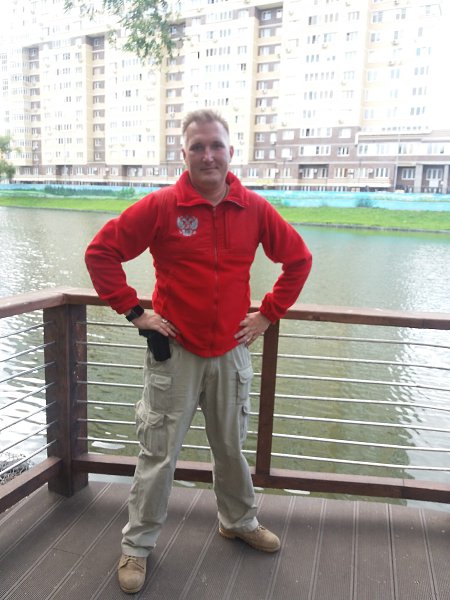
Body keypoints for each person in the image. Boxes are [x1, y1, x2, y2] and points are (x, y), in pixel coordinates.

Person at [85, 109, 312, 594]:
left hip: (231, 351)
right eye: (198, 147)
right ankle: (137, 546)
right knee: (158, 453)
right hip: (175, 352)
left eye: (216, 145)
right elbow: (101, 253)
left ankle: (238, 521)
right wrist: (135, 312)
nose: (208, 155)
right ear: (184, 154)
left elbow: (298, 259)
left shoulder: (254, 208)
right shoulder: (162, 206)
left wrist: (268, 314)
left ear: (231, 151)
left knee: (230, 447)